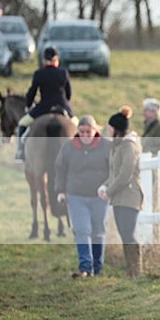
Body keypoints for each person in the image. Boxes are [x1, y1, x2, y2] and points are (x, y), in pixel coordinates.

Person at [55, 115, 111, 277]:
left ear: (95, 131)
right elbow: (60, 169)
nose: (85, 136)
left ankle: (97, 267)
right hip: (76, 196)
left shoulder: (106, 147)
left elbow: (113, 170)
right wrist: (60, 190)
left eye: (88, 132)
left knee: (98, 231)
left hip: (99, 197)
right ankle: (85, 267)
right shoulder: (68, 148)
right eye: (82, 132)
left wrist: (108, 187)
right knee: (81, 230)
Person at [98, 106, 144, 277]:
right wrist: (104, 186)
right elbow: (114, 173)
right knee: (125, 235)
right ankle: (131, 271)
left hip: (129, 196)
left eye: (109, 127)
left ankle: (136, 271)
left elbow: (125, 174)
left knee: (128, 234)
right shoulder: (117, 146)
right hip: (120, 197)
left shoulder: (128, 147)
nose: (107, 129)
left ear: (115, 128)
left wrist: (109, 191)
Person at [16, 46, 77, 162]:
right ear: (56, 60)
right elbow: (68, 95)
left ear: (44, 61)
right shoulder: (63, 73)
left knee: (22, 124)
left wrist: (28, 105)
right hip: (62, 106)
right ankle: (83, 152)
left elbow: (32, 93)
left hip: (43, 108)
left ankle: (20, 152)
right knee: (77, 127)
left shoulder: (39, 74)